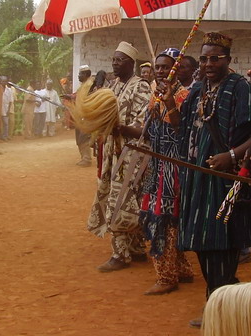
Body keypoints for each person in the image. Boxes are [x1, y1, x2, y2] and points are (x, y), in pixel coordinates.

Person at [177, 32, 251, 327]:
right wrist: (168, 103)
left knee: (222, 245)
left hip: (225, 181)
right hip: (197, 179)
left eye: (215, 58)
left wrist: (231, 154)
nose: (208, 64)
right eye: (204, 58)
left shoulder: (242, 89)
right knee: (202, 244)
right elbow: (183, 128)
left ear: (228, 59)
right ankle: (220, 302)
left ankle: (221, 308)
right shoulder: (197, 90)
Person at [88, 41, 152, 272]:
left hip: (131, 153)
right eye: (113, 60)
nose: (115, 64)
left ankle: (121, 253)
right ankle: (135, 249)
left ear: (131, 63)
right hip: (112, 152)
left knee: (122, 200)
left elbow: (143, 124)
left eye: (120, 60)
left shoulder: (141, 86)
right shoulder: (113, 86)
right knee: (121, 197)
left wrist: (121, 128)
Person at [139, 48, 194, 295]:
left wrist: (170, 103)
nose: (160, 71)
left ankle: (166, 276)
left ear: (176, 69)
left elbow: (184, 132)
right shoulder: (154, 94)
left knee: (166, 218)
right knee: (162, 215)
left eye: (166, 67)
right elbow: (149, 129)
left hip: (173, 167)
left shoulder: (185, 96)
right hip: (156, 163)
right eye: (158, 67)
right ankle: (181, 269)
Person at [74, 66, 92, 166]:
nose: (78, 76)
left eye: (80, 74)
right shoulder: (83, 86)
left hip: (86, 116)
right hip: (80, 116)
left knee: (83, 137)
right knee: (80, 138)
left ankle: (86, 159)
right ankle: (83, 157)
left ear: (85, 74)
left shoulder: (89, 85)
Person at [1, 76, 14, 141]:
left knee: (6, 123)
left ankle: (5, 136)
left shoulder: (9, 90)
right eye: (2, 81)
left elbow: (10, 101)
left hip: (6, 108)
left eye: (5, 81)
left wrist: (8, 110)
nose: (3, 82)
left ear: (6, 82)